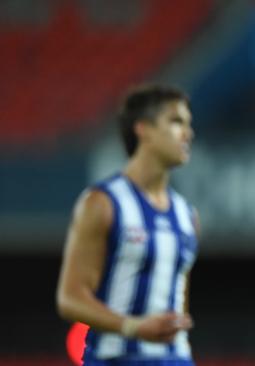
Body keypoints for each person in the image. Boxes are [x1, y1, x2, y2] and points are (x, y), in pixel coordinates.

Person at [57, 84, 199, 366]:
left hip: (176, 359)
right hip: (116, 358)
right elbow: (69, 298)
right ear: (143, 129)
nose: (188, 133)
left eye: (188, 124)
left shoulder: (187, 216)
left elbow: (175, 302)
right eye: (176, 121)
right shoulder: (102, 203)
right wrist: (132, 327)